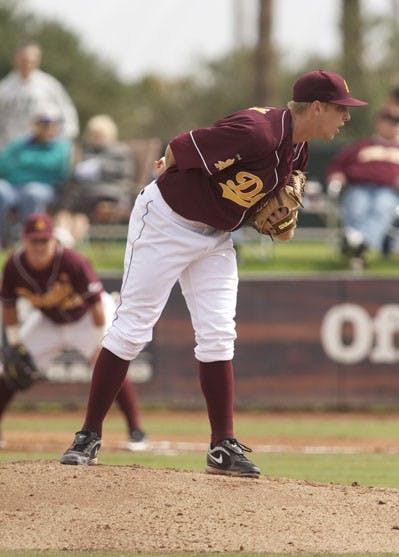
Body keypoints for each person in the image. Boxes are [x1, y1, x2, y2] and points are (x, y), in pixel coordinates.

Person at [60, 69, 367, 476]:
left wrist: (285, 222)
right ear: (316, 107)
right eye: (340, 110)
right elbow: (184, 144)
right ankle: (88, 435)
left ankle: (222, 446)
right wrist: (168, 163)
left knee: (219, 332)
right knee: (133, 326)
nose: (345, 118)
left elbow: (283, 191)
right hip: (166, 222)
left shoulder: (299, 145)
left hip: (216, 236)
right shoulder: (257, 131)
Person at [0, 213, 147, 451]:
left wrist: (100, 343)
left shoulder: (72, 261)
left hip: (88, 319)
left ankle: (136, 431)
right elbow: (8, 304)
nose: (39, 246)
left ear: (54, 241)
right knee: (10, 367)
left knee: (109, 363)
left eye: (44, 241)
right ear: (23, 241)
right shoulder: (14, 266)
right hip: (48, 320)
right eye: (33, 241)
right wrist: (15, 342)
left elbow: (97, 305)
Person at [326, 108, 399, 267]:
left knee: (381, 208)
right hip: (358, 187)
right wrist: (337, 175)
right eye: (389, 122)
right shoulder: (361, 146)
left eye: (396, 123)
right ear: (379, 124)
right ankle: (359, 246)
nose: (393, 126)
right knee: (357, 207)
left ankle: (357, 242)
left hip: (389, 191)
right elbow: (337, 165)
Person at [55, 114, 135, 244]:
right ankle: (63, 237)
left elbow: (125, 173)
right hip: (85, 193)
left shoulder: (120, 151)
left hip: (110, 192)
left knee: (78, 203)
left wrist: (100, 166)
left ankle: (66, 242)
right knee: (72, 206)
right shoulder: (85, 151)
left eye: (100, 135)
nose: (97, 138)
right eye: (94, 135)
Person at [0, 104, 72, 247]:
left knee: (32, 192)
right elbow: (3, 165)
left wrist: (23, 166)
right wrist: (32, 168)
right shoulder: (19, 144)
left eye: (50, 123)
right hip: (14, 187)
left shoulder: (62, 147)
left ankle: (28, 242)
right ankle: (2, 240)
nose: (46, 127)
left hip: (44, 189)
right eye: (42, 122)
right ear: (34, 124)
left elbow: (57, 170)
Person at [0, 43, 79, 152]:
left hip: (42, 149)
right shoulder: (4, 88)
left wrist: (66, 138)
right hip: (10, 148)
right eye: (24, 60)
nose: (27, 64)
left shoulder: (49, 85)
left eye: (31, 61)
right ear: (15, 60)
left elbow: (66, 111)